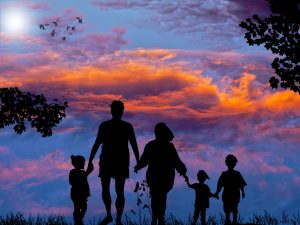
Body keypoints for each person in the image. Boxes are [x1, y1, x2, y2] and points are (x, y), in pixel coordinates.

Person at [87, 100, 139, 225]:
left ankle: (117, 219)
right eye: (115, 109)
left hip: (118, 161)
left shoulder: (126, 126)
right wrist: (90, 161)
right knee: (108, 190)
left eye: (117, 110)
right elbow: (97, 143)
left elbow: (134, 145)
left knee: (117, 191)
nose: (116, 112)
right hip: (107, 160)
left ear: (121, 111)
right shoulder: (105, 126)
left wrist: (138, 161)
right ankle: (111, 216)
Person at [134, 122, 187, 225]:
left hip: (157, 176)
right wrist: (182, 170)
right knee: (161, 198)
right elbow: (176, 161)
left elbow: (145, 160)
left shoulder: (152, 145)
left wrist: (138, 166)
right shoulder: (168, 146)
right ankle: (159, 219)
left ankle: (156, 219)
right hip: (164, 177)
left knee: (156, 197)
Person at [215, 154, 247, 225]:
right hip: (230, 194)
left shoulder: (234, 174)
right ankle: (228, 220)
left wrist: (243, 191)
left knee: (232, 208)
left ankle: (233, 221)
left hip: (232, 194)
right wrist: (217, 192)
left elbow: (240, 184)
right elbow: (219, 184)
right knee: (228, 208)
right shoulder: (229, 174)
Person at [69, 155, 94, 225]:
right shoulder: (73, 172)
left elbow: (84, 176)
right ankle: (78, 220)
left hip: (81, 193)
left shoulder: (82, 172)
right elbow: (72, 181)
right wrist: (88, 172)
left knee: (82, 207)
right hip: (77, 193)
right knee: (78, 207)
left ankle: (78, 220)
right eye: (83, 163)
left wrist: (88, 172)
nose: (84, 164)